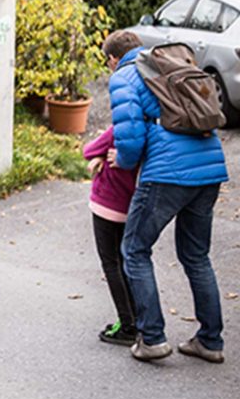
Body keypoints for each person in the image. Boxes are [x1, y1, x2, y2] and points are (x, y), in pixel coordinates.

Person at [104, 30, 228, 363]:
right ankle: (210, 341)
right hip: (210, 167)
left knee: (134, 249)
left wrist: (123, 161)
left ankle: (153, 338)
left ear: (114, 59)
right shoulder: (171, 65)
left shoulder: (124, 77)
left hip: (168, 174)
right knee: (196, 256)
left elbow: (130, 138)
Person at [83, 125, 139, 346]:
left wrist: (98, 155)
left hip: (106, 203)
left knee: (111, 263)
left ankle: (127, 325)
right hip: (131, 205)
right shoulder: (149, 130)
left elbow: (88, 149)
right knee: (127, 261)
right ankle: (136, 318)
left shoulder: (120, 129)